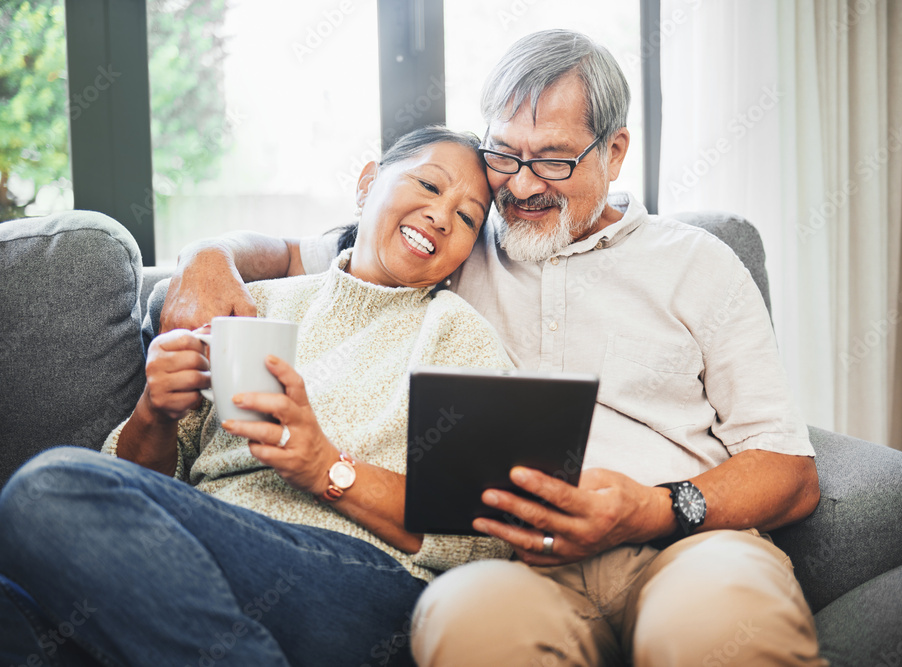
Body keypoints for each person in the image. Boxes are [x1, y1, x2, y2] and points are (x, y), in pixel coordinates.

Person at [161, 30, 830, 666]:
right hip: (519, 567)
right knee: (464, 617)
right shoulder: (455, 235)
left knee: (711, 630)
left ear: (616, 151)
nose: (523, 184)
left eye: (554, 159)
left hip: (685, 543)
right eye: (504, 153)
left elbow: (789, 470)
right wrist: (206, 257)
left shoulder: (698, 263)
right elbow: (286, 253)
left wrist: (654, 506)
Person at [0, 126, 515, 667]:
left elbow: (478, 539)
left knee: (47, 488)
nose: (442, 216)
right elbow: (131, 485)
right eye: (429, 185)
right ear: (367, 183)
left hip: (350, 586)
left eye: (468, 217)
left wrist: (326, 467)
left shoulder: (459, 337)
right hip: (180, 578)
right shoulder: (254, 304)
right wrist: (156, 410)